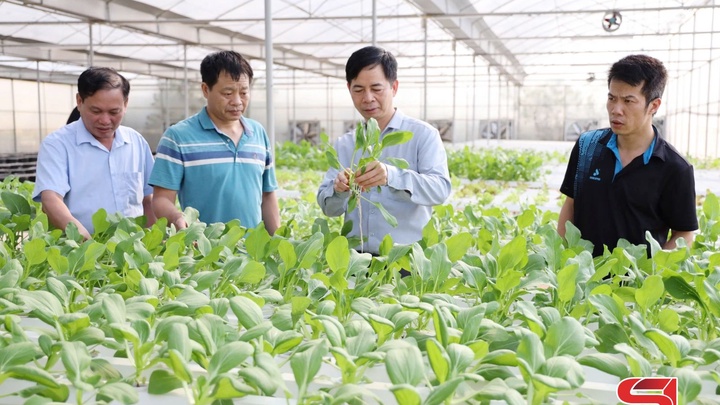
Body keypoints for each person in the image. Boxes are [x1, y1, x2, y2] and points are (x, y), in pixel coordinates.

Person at [557, 54, 698, 257]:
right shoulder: (587, 146)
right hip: (582, 280)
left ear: (654, 105)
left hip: (635, 284)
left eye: (628, 101)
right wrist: (561, 261)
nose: (616, 110)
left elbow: (683, 233)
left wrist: (650, 274)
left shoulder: (675, 168)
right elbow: (570, 205)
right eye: (611, 98)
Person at [317, 46, 451, 255]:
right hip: (356, 261)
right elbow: (329, 209)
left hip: (407, 260)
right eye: (358, 89)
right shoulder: (345, 144)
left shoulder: (423, 135)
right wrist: (339, 190)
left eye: (376, 89)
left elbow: (440, 190)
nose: (368, 98)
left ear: (394, 87)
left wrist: (392, 176)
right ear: (349, 89)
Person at [149, 50, 280, 234]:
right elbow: (161, 199)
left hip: (252, 252)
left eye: (243, 92)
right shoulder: (178, 137)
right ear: (205, 89)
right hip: (205, 252)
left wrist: (277, 241)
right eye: (227, 93)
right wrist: (177, 217)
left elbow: (268, 195)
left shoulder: (258, 133)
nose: (237, 101)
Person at [33, 67, 156, 240]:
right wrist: (86, 244)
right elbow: (51, 199)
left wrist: (154, 241)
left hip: (132, 249)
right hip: (79, 251)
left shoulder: (135, 141)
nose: (105, 120)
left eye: (114, 112)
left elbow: (147, 199)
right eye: (96, 111)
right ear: (79, 101)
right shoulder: (57, 145)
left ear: (126, 104)